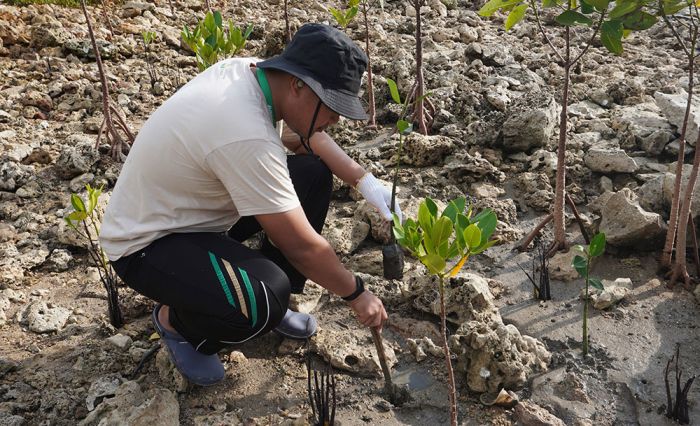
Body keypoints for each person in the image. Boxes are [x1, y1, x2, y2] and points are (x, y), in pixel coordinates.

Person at [99, 23, 402, 386]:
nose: (336, 119)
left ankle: (270, 304)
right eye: (333, 107)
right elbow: (301, 246)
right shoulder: (243, 130)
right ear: (298, 86)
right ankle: (176, 323)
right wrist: (356, 293)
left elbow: (305, 138)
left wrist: (364, 182)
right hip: (147, 244)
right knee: (266, 295)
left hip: (195, 213)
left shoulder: (256, 76)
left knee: (311, 174)